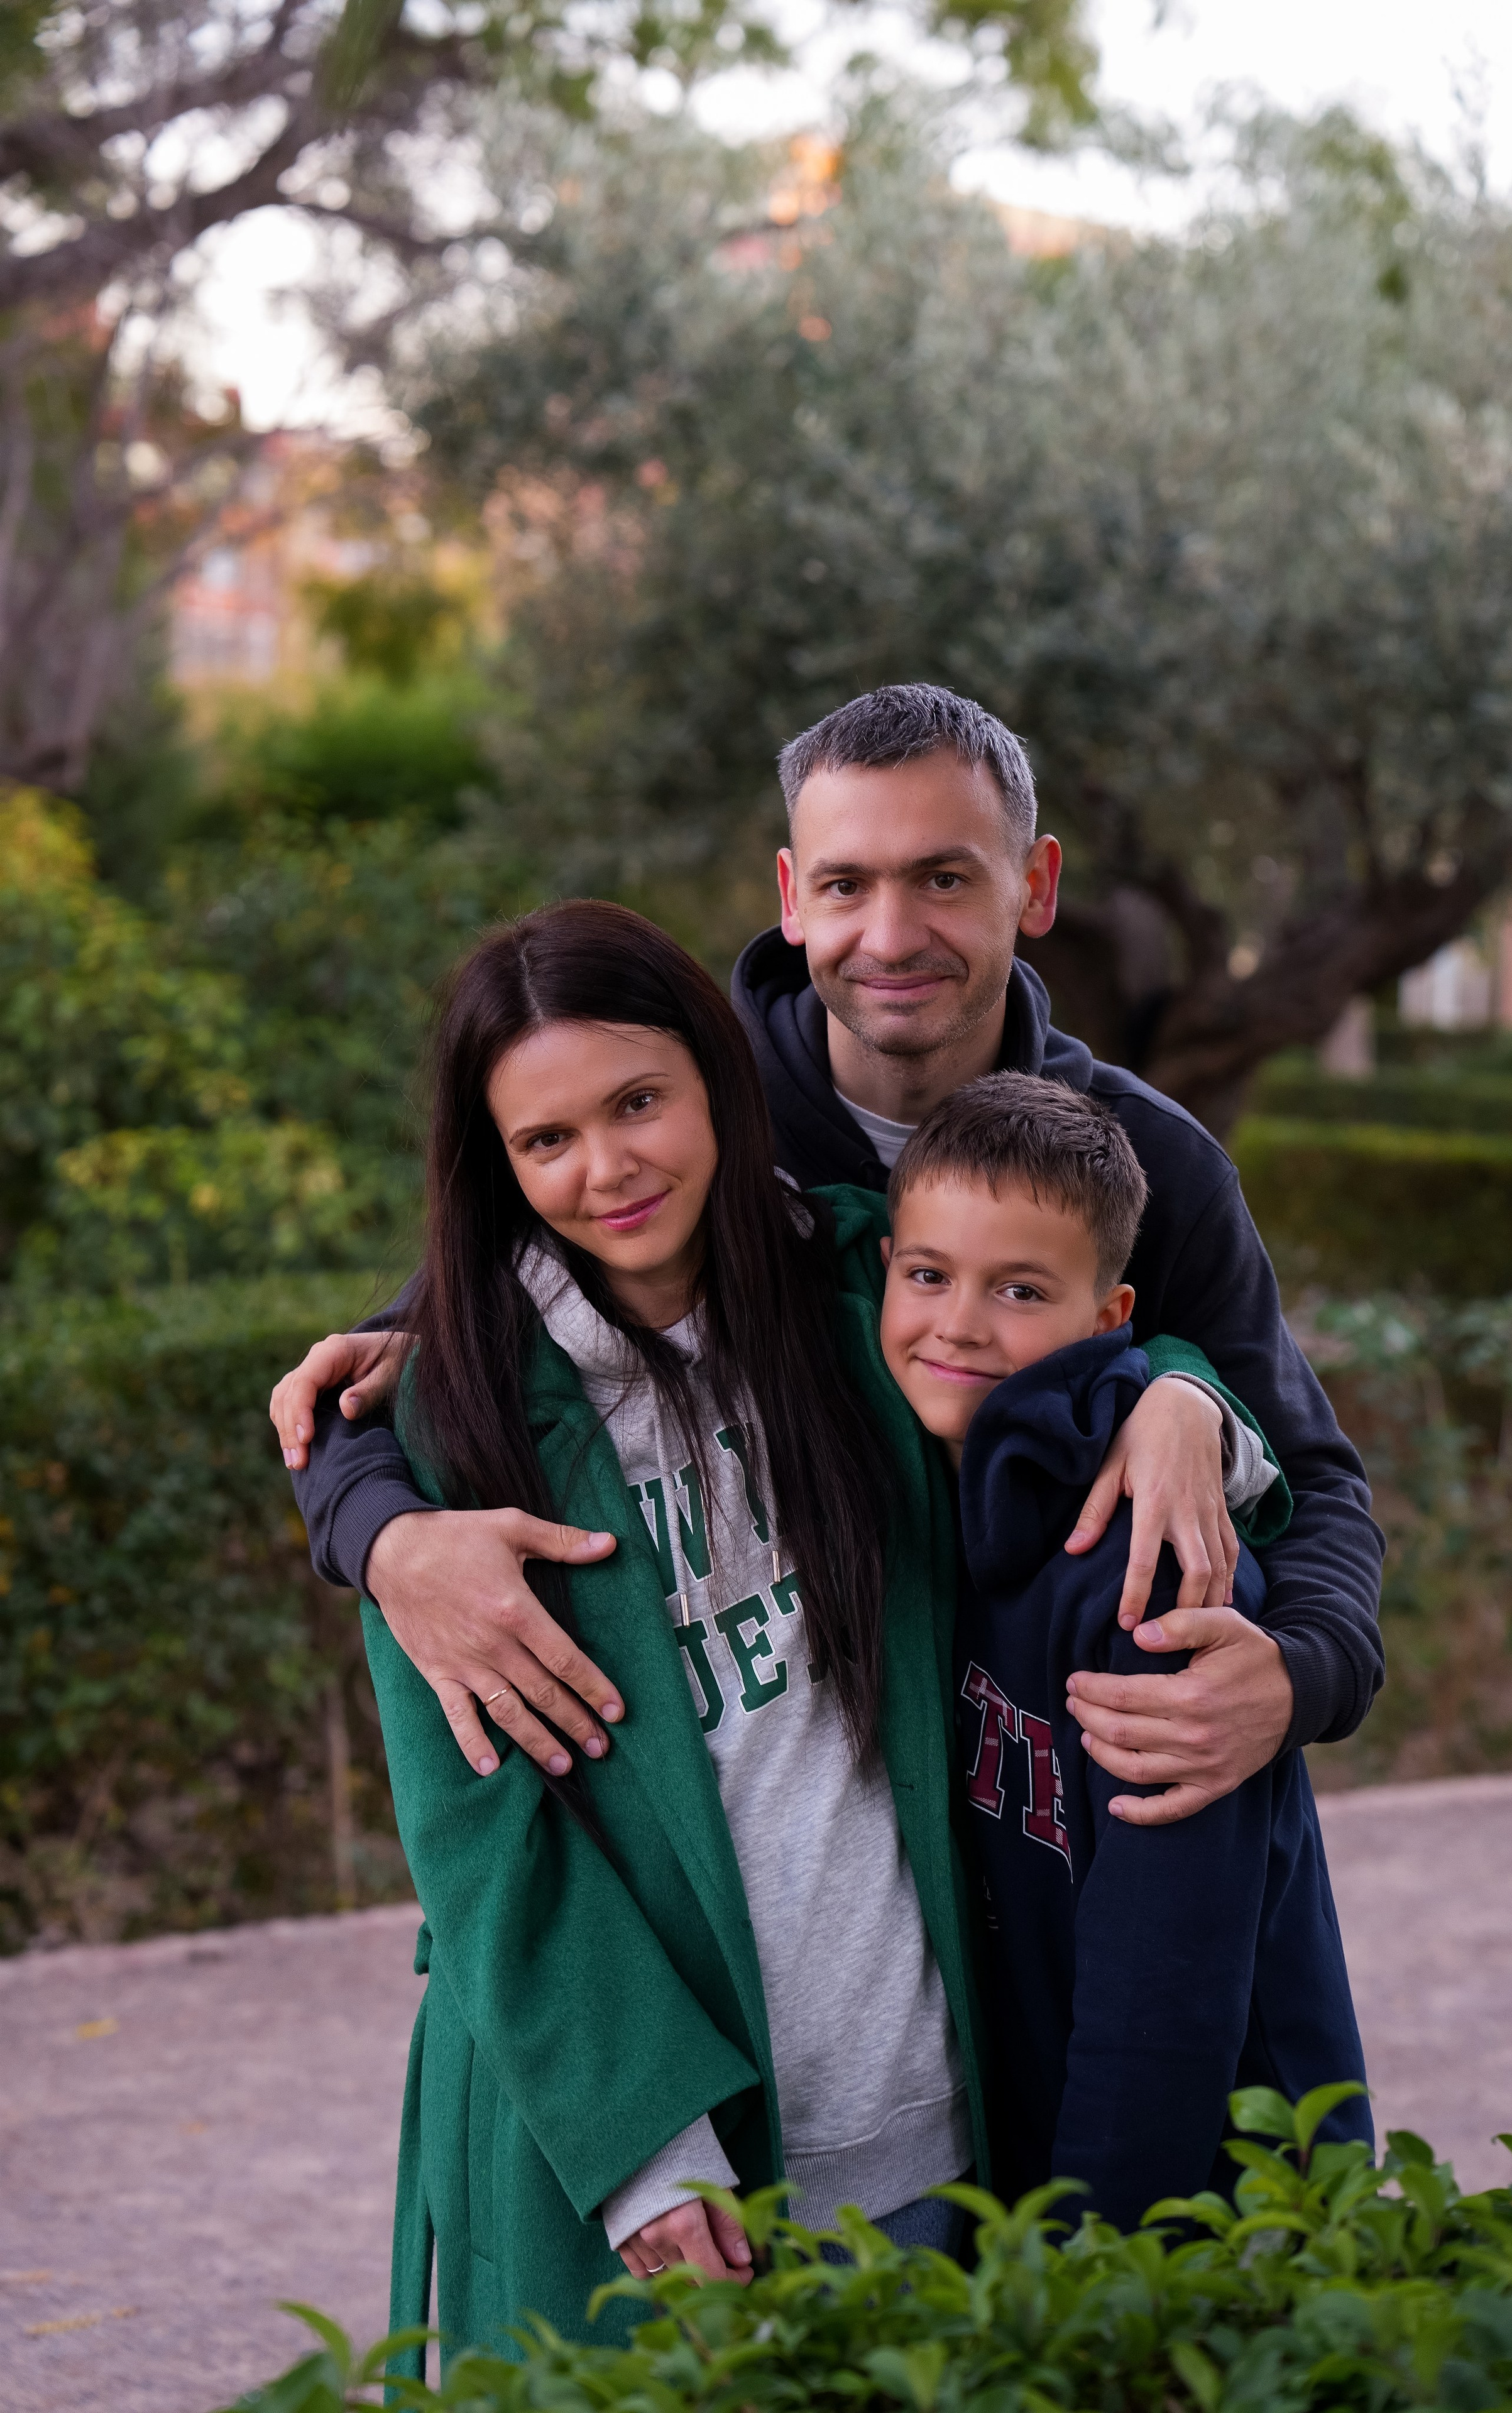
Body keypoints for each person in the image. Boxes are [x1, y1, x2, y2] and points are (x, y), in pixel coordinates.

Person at [268, 684, 1384, 1824]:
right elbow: (372, 1380)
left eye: (945, 878)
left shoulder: (1152, 1163)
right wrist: (387, 1539)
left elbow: (1316, 1478)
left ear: (1035, 886)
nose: (892, 938)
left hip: (1062, 1811)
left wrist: (1299, 1676)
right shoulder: (683, 1131)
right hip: (823, 1826)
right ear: (795, 898)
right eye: (849, 885)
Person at [371, 899, 990, 2364]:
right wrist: (648, 2157)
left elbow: (1062, 1325)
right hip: (630, 2158)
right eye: (546, 1141)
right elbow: (480, 1839)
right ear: (497, 1167)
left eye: (637, 1101)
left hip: (913, 2117)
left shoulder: (868, 1297)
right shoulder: (455, 1424)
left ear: (714, 1075)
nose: (606, 1168)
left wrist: (1175, 1410)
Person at [877, 1071, 1370, 2228]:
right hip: (1051, 2150)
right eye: (928, 1275)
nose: (959, 1323)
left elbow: (1169, 1995)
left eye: (1021, 1290)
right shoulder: (923, 1503)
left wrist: (1082, 2265)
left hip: (1229, 2188)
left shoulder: (1153, 1579)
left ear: (1111, 1319)